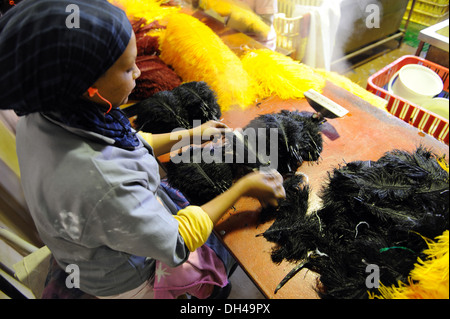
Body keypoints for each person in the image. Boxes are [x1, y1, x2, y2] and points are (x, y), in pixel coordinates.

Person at [0, 0, 285, 298]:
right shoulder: (101, 181)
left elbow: (128, 144)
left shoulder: (44, 114)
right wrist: (243, 188)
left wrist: (189, 134)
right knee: (221, 270)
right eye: (126, 68)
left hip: (87, 245)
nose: (137, 72)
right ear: (88, 87)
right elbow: (175, 241)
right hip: (126, 279)